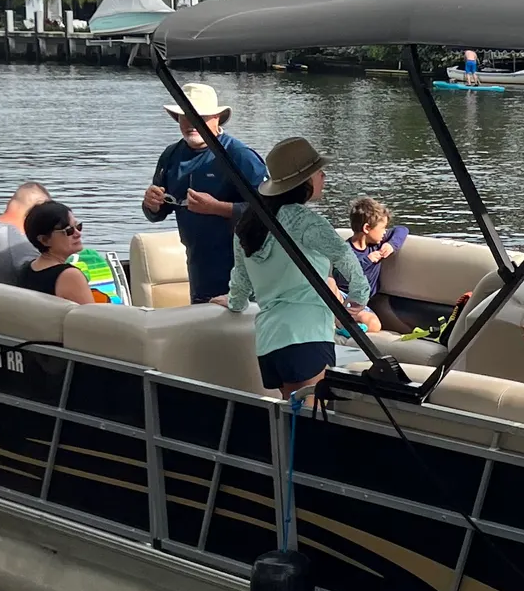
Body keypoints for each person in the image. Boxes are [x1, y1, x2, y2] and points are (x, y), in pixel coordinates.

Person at [227, 136, 374, 405]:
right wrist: (359, 297)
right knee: (311, 424)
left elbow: (239, 287)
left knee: (293, 421)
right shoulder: (307, 221)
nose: (324, 176)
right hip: (306, 335)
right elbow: (345, 257)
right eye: (318, 172)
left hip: (270, 342)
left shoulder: (248, 225)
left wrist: (231, 304)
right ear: (303, 181)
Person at [142, 84, 269, 306]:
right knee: (205, 330)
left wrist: (218, 208)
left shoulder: (240, 156)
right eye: (185, 116)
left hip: (245, 268)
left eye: (199, 116)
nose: (191, 123)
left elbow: (271, 211)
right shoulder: (171, 156)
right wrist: (151, 204)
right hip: (199, 267)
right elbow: (159, 211)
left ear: (217, 118)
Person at [17, 200, 94, 305]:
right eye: (69, 231)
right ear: (44, 240)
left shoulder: (25, 270)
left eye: (78, 226)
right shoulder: (70, 276)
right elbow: (91, 319)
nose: (78, 233)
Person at [348, 195, 410, 295]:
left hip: (369, 300)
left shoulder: (377, 242)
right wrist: (367, 261)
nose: (385, 232)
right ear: (367, 228)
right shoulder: (346, 251)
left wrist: (391, 245)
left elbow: (402, 229)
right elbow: (342, 276)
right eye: (383, 228)